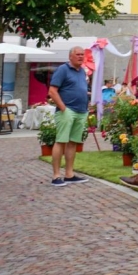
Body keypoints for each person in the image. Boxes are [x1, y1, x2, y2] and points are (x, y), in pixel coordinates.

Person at [48, 47, 90, 186]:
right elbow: (52, 91)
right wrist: (63, 108)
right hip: (67, 110)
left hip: (81, 111)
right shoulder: (63, 69)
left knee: (73, 142)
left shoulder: (82, 71)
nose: (80, 57)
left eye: (82, 55)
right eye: (77, 54)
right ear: (70, 56)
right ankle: (56, 176)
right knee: (61, 141)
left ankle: (69, 174)